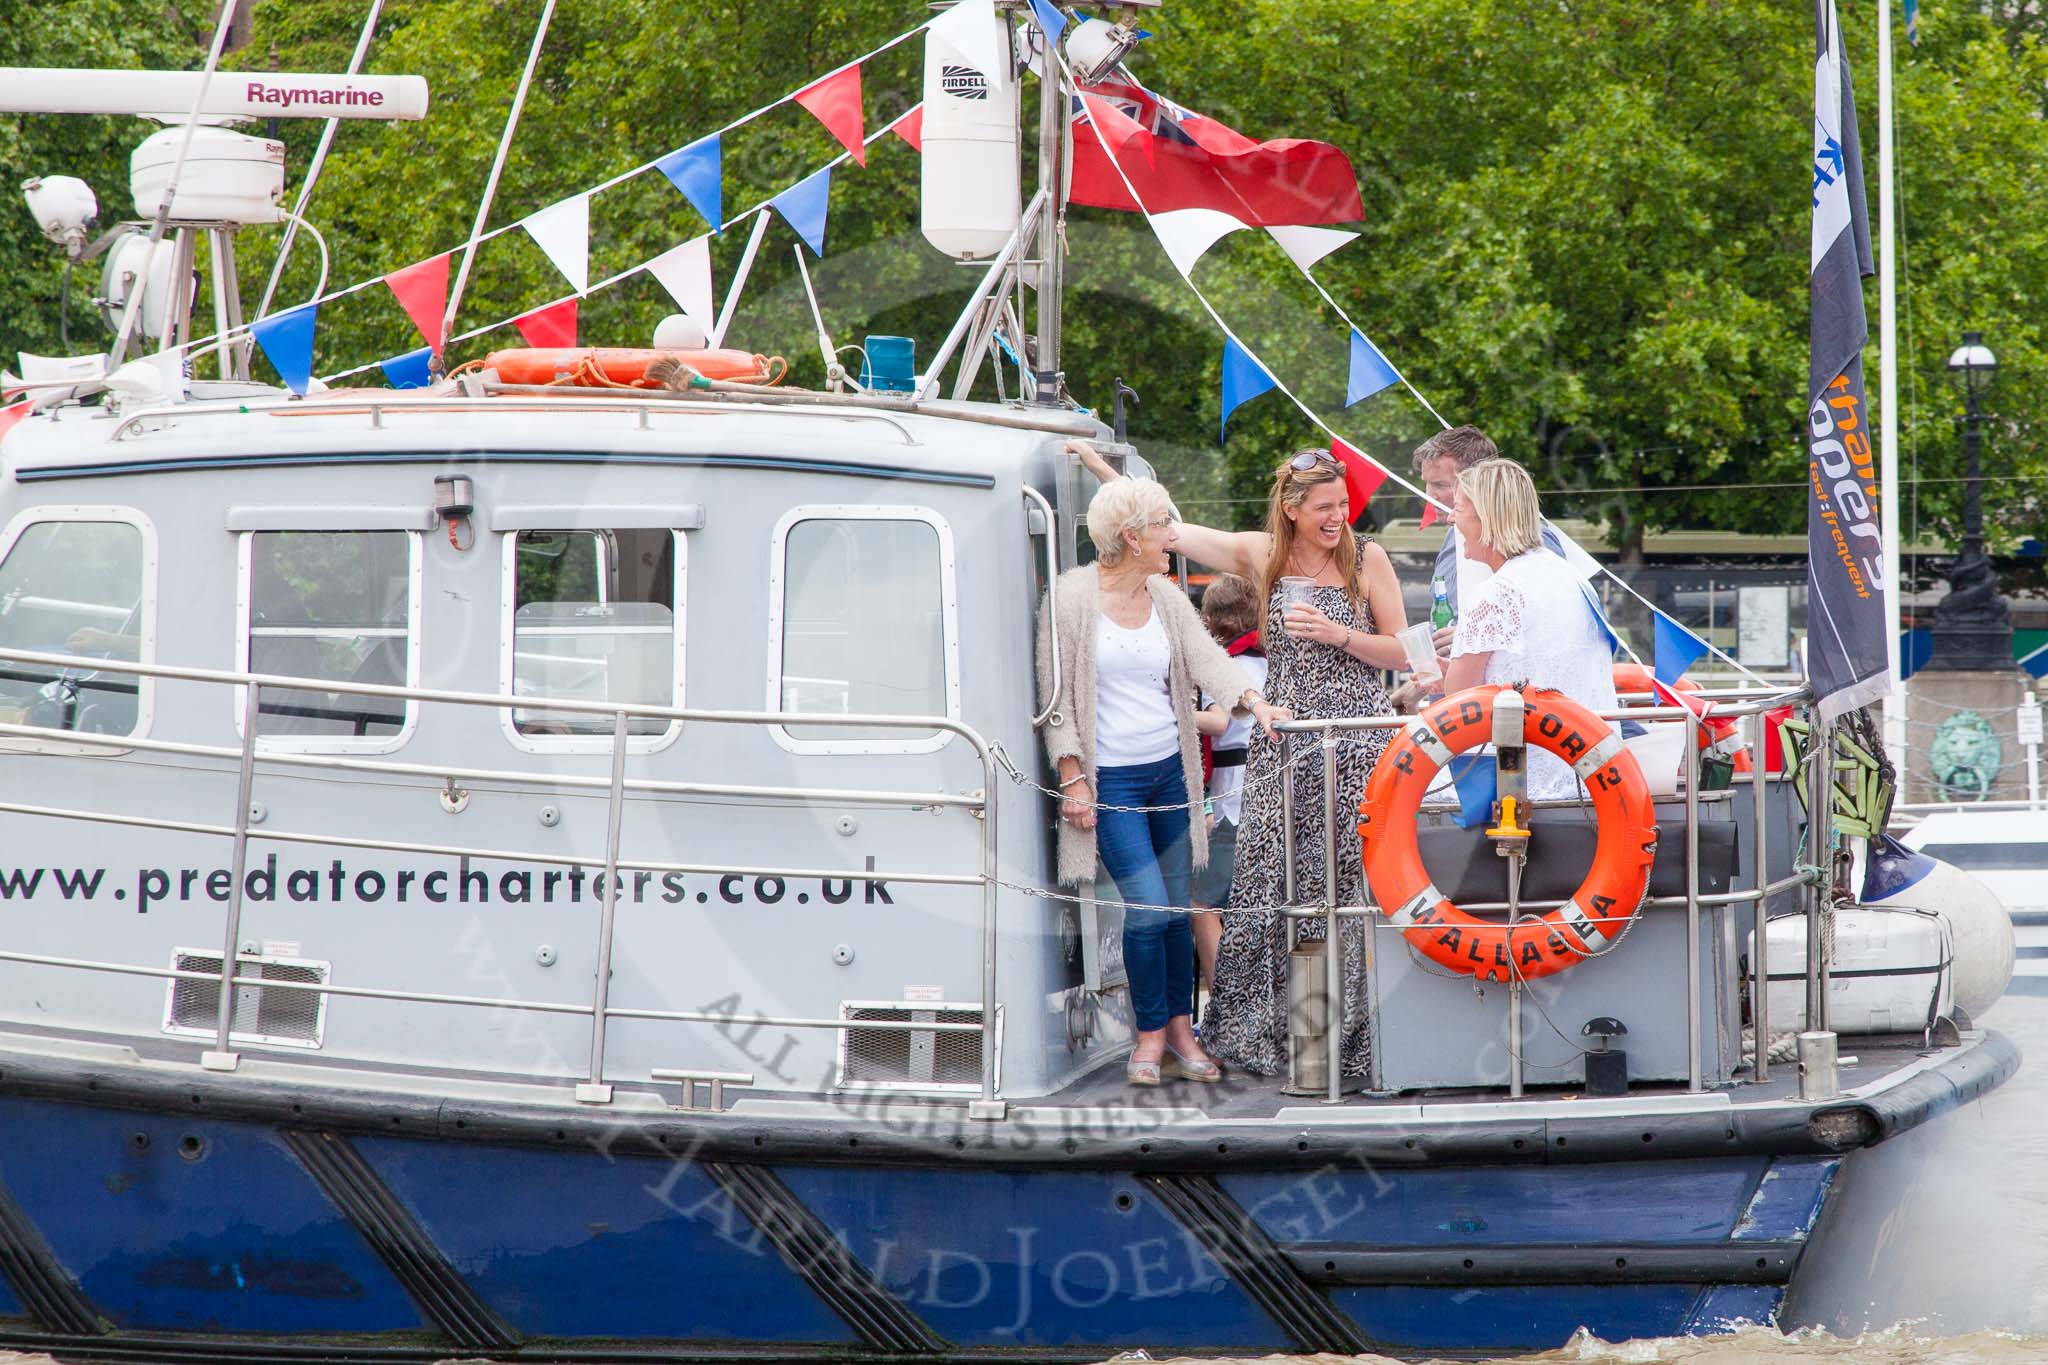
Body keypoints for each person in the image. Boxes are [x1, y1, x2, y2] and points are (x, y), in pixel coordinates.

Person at [1070, 439, 1411, 1085]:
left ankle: (1360, 1038)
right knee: (1271, 891)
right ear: (1290, 508)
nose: (1337, 517)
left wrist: (1342, 635)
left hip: (1356, 744)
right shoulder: (1262, 554)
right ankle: (1274, 1035)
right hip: (1285, 750)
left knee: (1347, 895)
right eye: (1323, 507)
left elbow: (1404, 651)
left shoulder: (1370, 557)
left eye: (1343, 504)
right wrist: (1103, 473)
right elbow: (1166, 528)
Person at [1036, 474, 1288, 1088]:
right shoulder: (1069, 600)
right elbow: (1055, 697)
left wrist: (1255, 702)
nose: (1170, 537)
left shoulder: (1166, 595)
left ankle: (1181, 1029)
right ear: (1131, 535)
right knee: (1148, 910)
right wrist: (1073, 778)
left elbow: (1208, 659)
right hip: (1113, 781)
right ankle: (1150, 1035)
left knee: (1176, 911)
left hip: (1172, 773)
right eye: (1161, 527)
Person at [1443, 458, 1621, 801]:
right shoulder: (1569, 576)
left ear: (1487, 518)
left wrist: (1444, 677)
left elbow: (1456, 702)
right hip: (1595, 776)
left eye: (1458, 508)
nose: (1450, 517)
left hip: (1528, 786)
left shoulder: (1497, 592)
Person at [1189, 573, 1265, 992]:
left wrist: (1171, 712)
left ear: (1213, 621)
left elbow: (1218, 723)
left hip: (1235, 795)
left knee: (1202, 904)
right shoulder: (1268, 660)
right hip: (1267, 791)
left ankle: (1223, 1003)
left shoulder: (1227, 666)